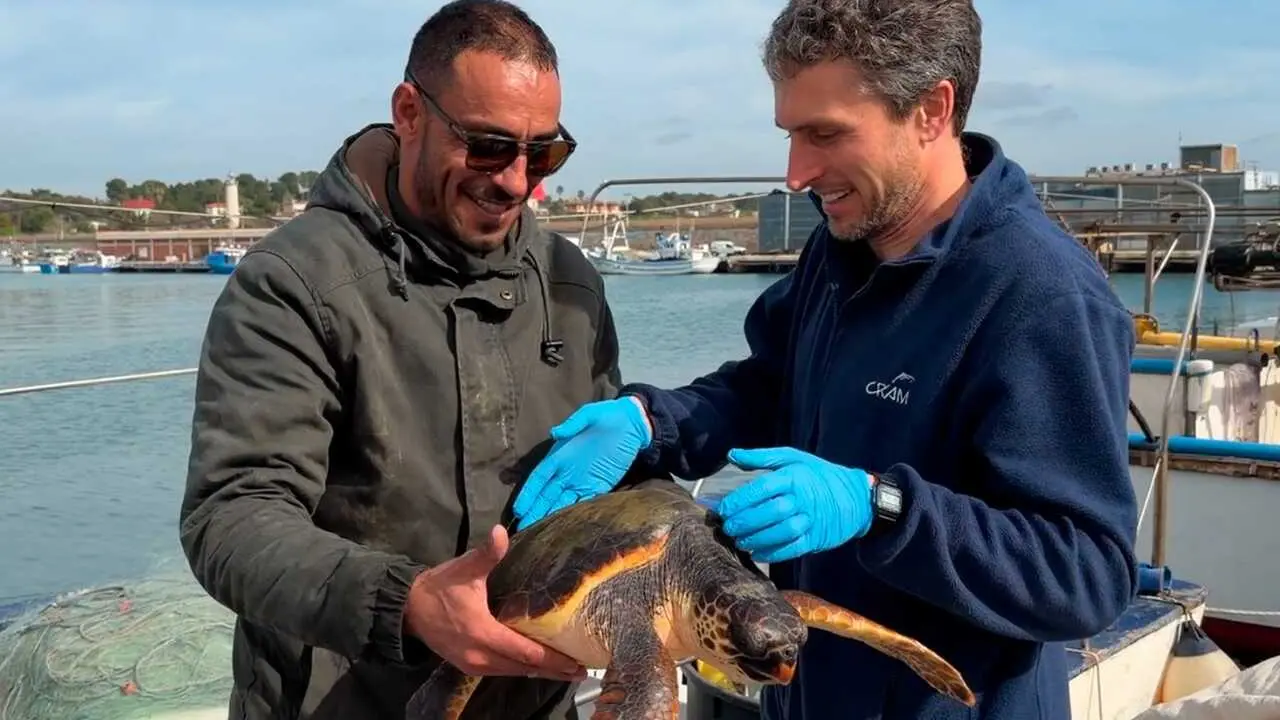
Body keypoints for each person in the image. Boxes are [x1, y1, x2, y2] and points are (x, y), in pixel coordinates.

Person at [512, 0, 1140, 718]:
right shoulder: (843, 246)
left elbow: (1087, 573)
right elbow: (766, 388)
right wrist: (652, 419)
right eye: (790, 134)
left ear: (931, 110)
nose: (796, 173)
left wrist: (881, 507)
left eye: (826, 134)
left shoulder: (1042, 295)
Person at [178, 1, 663, 717]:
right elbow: (232, 517)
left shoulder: (570, 282)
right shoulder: (292, 283)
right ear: (409, 113)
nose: (516, 181)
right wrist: (406, 603)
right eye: (488, 146)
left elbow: (607, 492)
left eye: (543, 154)